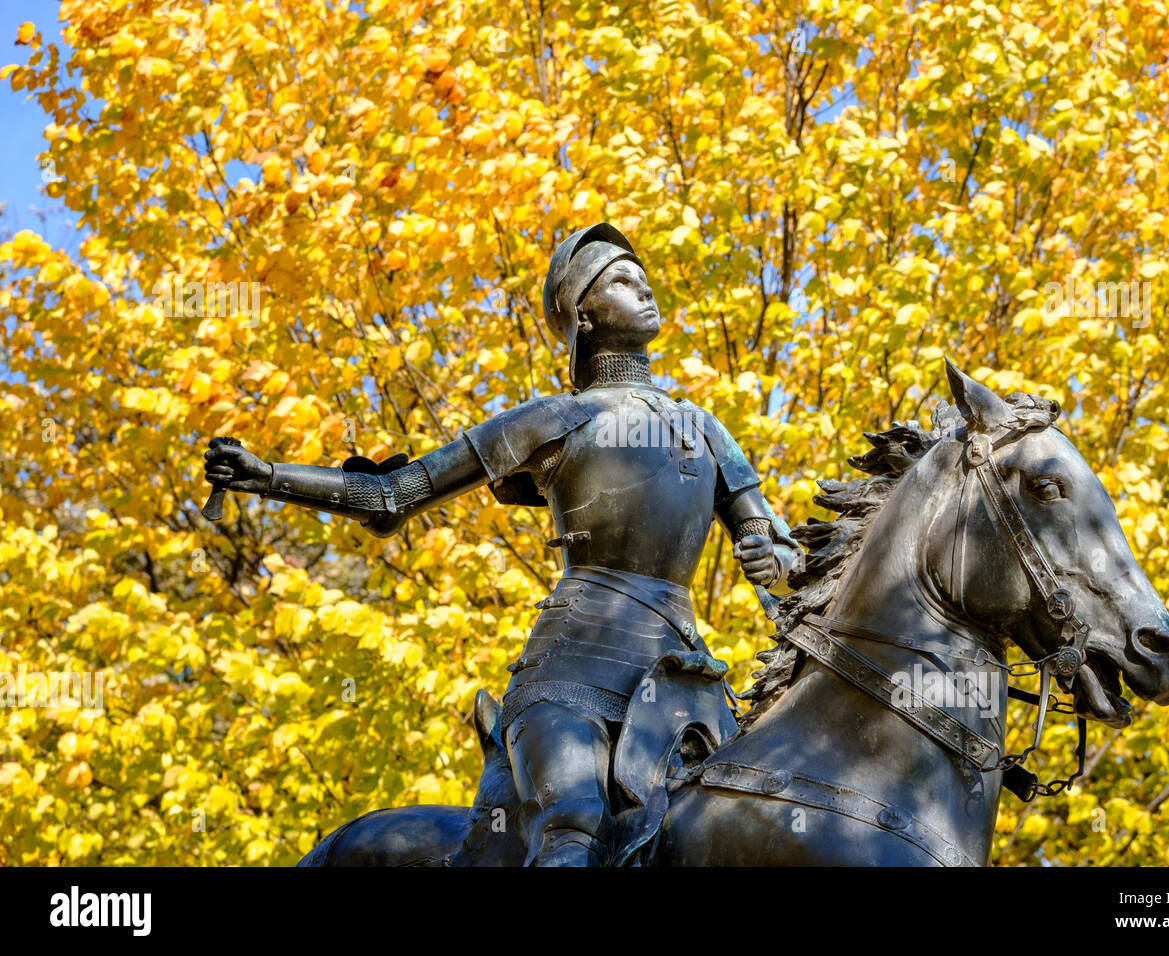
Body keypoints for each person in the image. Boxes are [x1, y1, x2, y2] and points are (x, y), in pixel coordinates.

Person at [204, 223, 802, 865]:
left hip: (688, 690)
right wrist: (267, 476)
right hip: (571, 676)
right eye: (622, 281)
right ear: (583, 315)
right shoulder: (554, 419)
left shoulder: (705, 428)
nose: (645, 288)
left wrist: (772, 555)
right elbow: (393, 494)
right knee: (572, 826)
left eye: (644, 277)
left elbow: (783, 550)